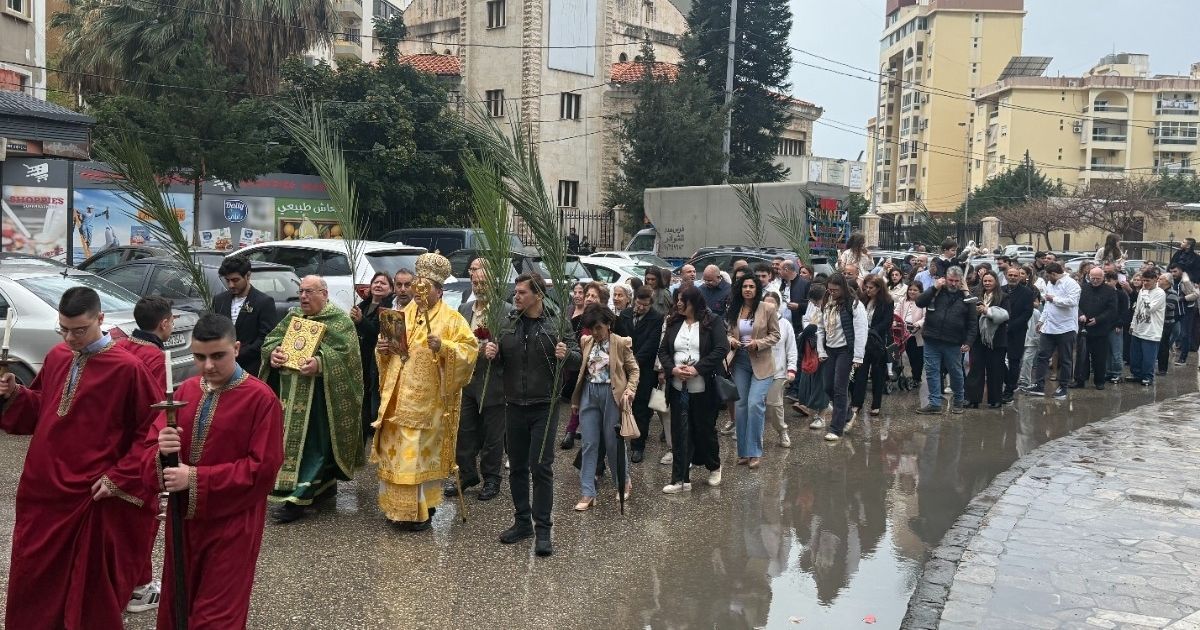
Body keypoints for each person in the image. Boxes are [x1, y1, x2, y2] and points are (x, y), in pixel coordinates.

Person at [0, 287, 160, 629]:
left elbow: (151, 430)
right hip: (41, 490)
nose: (71, 338)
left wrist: (120, 476)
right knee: (33, 579)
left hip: (88, 496)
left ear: (100, 319)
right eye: (64, 329)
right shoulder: (58, 356)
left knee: (87, 590)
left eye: (79, 330)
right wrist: (15, 394)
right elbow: (41, 411)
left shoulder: (128, 368)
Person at [141, 313, 284, 630]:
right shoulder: (184, 392)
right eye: (199, 357)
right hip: (184, 523)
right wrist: (160, 450)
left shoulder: (261, 399)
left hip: (232, 525)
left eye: (217, 355)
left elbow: (263, 470)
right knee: (179, 607)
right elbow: (151, 450)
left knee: (216, 616)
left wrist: (194, 477)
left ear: (236, 347)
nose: (207, 366)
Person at [372, 253, 478, 531]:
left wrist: (443, 347)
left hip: (428, 405)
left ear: (439, 290)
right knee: (395, 454)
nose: (418, 291)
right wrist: (382, 351)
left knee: (415, 456)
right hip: (396, 399)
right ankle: (395, 509)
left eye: (424, 287)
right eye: (417, 285)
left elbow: (469, 352)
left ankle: (421, 511)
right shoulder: (400, 315)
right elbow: (391, 352)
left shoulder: (452, 320)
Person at [482, 272, 581, 557]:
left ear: (538, 295)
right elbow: (499, 362)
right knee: (517, 467)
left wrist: (566, 354)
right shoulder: (507, 323)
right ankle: (522, 522)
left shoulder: (557, 323)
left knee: (541, 467)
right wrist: (491, 352)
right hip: (513, 404)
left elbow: (576, 359)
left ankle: (544, 530)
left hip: (544, 406)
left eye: (522, 292)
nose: (516, 296)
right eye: (515, 292)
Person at [262, 275, 363, 523]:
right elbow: (271, 340)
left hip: (320, 399)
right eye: (301, 292)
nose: (303, 297)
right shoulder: (293, 317)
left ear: (324, 294)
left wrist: (320, 363)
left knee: (314, 446)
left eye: (309, 292)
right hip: (290, 395)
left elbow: (348, 356)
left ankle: (297, 499)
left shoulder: (340, 321)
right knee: (296, 445)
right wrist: (272, 354)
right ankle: (320, 488)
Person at [115, 295, 173, 613]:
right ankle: (139, 587)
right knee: (143, 522)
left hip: (113, 449)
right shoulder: (155, 359)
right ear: (164, 323)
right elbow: (155, 414)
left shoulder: (121, 347)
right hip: (140, 452)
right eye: (172, 320)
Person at [446, 258, 513, 502]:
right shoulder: (465, 309)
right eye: (475, 281)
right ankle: (466, 474)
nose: (478, 286)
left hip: (494, 382)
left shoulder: (505, 311)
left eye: (483, 282)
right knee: (464, 430)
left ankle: (492, 478)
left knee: (493, 435)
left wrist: (497, 350)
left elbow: (513, 347)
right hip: (469, 380)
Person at [658, 285, 728, 492]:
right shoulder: (674, 322)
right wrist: (673, 369)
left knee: (704, 429)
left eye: (683, 300)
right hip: (679, 386)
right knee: (680, 432)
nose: (678, 303)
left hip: (704, 387)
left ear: (694, 302)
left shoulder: (712, 321)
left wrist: (697, 369)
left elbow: (721, 348)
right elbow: (663, 351)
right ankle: (680, 480)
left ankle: (714, 466)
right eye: (677, 299)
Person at [570, 305, 639, 511]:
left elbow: (633, 369)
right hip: (589, 393)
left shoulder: (620, 342)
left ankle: (623, 481)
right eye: (592, 328)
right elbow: (583, 371)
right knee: (589, 443)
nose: (595, 332)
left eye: (599, 327)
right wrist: (575, 400)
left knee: (613, 443)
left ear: (608, 324)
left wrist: (630, 390)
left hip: (612, 394)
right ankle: (588, 492)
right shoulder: (587, 341)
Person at [726, 275, 780, 468]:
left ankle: (754, 451)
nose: (748, 289)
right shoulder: (734, 309)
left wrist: (758, 343)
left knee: (755, 404)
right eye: (744, 286)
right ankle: (743, 452)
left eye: (751, 286)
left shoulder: (768, 308)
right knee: (740, 407)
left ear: (757, 289)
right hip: (740, 361)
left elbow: (776, 335)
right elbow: (729, 333)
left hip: (762, 362)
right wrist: (731, 340)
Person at [915, 266, 977, 414]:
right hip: (932, 338)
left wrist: (968, 342)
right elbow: (919, 302)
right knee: (932, 371)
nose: (953, 284)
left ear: (961, 281)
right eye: (950, 280)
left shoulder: (967, 296)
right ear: (945, 279)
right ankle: (935, 403)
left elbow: (972, 322)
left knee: (955, 372)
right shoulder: (937, 291)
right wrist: (933, 288)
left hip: (953, 341)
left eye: (956, 281)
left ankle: (958, 401)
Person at [816, 273, 866, 441]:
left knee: (839, 388)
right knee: (827, 386)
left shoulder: (854, 304)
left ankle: (836, 429)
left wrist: (858, 356)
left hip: (846, 350)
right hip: (830, 349)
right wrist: (821, 350)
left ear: (843, 288)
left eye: (835, 290)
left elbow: (860, 330)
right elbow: (820, 328)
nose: (832, 293)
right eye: (829, 290)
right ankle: (848, 413)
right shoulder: (826, 302)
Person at [214, 254, 279, 375]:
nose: (231, 285)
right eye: (227, 280)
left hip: (251, 368)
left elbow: (266, 338)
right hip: (223, 368)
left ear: (248, 276)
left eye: (235, 280)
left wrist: (237, 353)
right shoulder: (219, 300)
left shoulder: (263, 302)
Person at [619, 287, 664, 463]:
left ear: (650, 304)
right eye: (638, 303)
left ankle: (638, 446)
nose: (640, 308)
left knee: (641, 407)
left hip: (644, 369)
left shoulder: (657, 318)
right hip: (623, 366)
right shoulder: (625, 315)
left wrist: (634, 362)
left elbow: (652, 343)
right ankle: (620, 439)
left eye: (645, 305)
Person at [1026, 262, 1080, 400]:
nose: (1048, 279)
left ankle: (1063, 387)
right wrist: (1041, 321)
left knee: (1066, 359)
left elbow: (1072, 302)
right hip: (1049, 327)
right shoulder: (1050, 284)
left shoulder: (1072, 284)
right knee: (1042, 356)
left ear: (1054, 274)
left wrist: (1054, 298)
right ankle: (1039, 385)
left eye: (1049, 276)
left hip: (1066, 327)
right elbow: (1048, 306)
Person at [350, 272, 394, 438]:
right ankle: (364, 424)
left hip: (377, 356)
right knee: (363, 390)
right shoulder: (363, 305)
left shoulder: (388, 307)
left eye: (383, 283)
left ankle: (375, 426)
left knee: (374, 390)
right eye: (376, 282)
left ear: (390, 289)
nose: (378, 285)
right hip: (361, 355)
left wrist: (361, 321)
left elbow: (377, 331)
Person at [965, 270, 1010, 408]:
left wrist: (987, 311)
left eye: (990, 281)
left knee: (995, 370)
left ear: (995, 281)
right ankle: (973, 399)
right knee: (976, 368)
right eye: (985, 281)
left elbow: (1005, 316)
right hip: (978, 338)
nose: (987, 283)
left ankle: (995, 399)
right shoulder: (976, 295)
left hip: (996, 339)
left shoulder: (1003, 297)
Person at [850, 274, 894, 417]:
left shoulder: (887, 302)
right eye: (866, 287)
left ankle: (876, 404)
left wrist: (872, 331)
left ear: (879, 288)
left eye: (871, 288)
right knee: (860, 373)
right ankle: (857, 403)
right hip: (862, 341)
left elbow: (887, 322)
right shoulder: (862, 299)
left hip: (877, 342)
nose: (868, 290)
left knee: (878, 374)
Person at [1071, 266, 1118, 390]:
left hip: (1100, 329)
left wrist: (1098, 319)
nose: (1095, 280)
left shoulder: (1110, 291)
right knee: (1082, 357)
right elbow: (1075, 304)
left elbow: (1112, 310)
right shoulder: (1083, 288)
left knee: (1099, 357)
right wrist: (1080, 314)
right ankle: (1080, 380)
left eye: (1098, 278)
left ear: (1103, 278)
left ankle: (1099, 381)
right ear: (1089, 277)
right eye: (1093, 278)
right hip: (1083, 327)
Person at [795, 283, 832, 429]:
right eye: (813, 302)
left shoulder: (830, 307)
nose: (815, 304)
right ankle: (819, 408)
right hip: (811, 346)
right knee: (809, 377)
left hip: (825, 347)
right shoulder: (813, 305)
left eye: (817, 301)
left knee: (821, 382)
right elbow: (806, 319)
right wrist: (808, 330)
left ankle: (821, 415)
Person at [762, 291, 797, 447]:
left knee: (775, 405)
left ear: (778, 305)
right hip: (758, 371)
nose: (769, 306)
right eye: (766, 303)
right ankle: (756, 436)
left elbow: (791, 348)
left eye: (772, 303)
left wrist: (791, 369)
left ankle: (782, 431)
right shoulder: (757, 321)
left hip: (778, 372)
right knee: (755, 405)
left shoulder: (785, 324)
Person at [1001, 266, 1036, 401]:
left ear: (1020, 277)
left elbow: (1027, 313)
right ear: (1006, 275)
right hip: (1000, 331)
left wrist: (1011, 326)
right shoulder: (1001, 290)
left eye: (1015, 275)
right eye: (1010, 275)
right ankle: (1009, 381)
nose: (1013, 277)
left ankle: (1009, 390)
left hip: (1017, 331)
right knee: (999, 359)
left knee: (1014, 360)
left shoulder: (1027, 292)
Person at [1129, 270, 1166, 386]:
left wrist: (1145, 294)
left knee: (1148, 357)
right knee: (1135, 356)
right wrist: (1133, 324)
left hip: (1151, 330)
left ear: (1155, 279)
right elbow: (1138, 309)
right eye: (1143, 280)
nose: (1145, 283)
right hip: (1139, 327)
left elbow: (1150, 309)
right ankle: (1137, 374)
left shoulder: (1160, 293)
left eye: (1147, 281)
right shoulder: (1141, 291)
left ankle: (1148, 376)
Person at [895, 281, 925, 389]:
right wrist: (897, 321)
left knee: (916, 357)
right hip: (902, 332)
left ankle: (917, 377)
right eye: (910, 289)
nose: (912, 292)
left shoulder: (923, 302)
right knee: (897, 355)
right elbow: (897, 312)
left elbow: (925, 317)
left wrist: (917, 324)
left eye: (915, 290)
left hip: (915, 334)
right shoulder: (903, 300)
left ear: (920, 292)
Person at [1168, 263, 1198, 366]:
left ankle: (1183, 359)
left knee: (1185, 335)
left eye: (1175, 271)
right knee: (1168, 332)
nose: (1173, 274)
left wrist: (1182, 298)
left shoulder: (1185, 281)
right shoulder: (1170, 281)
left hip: (1186, 311)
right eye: (1171, 272)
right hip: (1174, 312)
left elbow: (1196, 294)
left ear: (1181, 271)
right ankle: (1164, 352)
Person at [1106, 271, 1130, 383]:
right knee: (1107, 351)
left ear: (1115, 281)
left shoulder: (1121, 294)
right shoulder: (1104, 293)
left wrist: (1119, 324)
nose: (1107, 283)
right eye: (1105, 280)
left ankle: (1117, 373)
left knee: (1116, 351)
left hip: (1116, 326)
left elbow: (1124, 311)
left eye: (1109, 281)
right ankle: (1108, 371)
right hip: (1105, 325)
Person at [1017, 293, 1044, 390]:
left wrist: (1037, 339)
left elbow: (1039, 326)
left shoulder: (1036, 312)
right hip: (1020, 338)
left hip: (1032, 340)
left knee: (1027, 360)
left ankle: (1024, 381)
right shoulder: (1018, 310)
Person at [1156, 274, 1181, 376]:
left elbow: (1171, 306)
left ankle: (1162, 369)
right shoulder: (1158, 291)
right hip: (1157, 321)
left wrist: (1157, 304)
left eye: (1161, 279)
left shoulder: (1172, 293)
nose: (1158, 280)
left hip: (1166, 323)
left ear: (1167, 281)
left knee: (1163, 345)